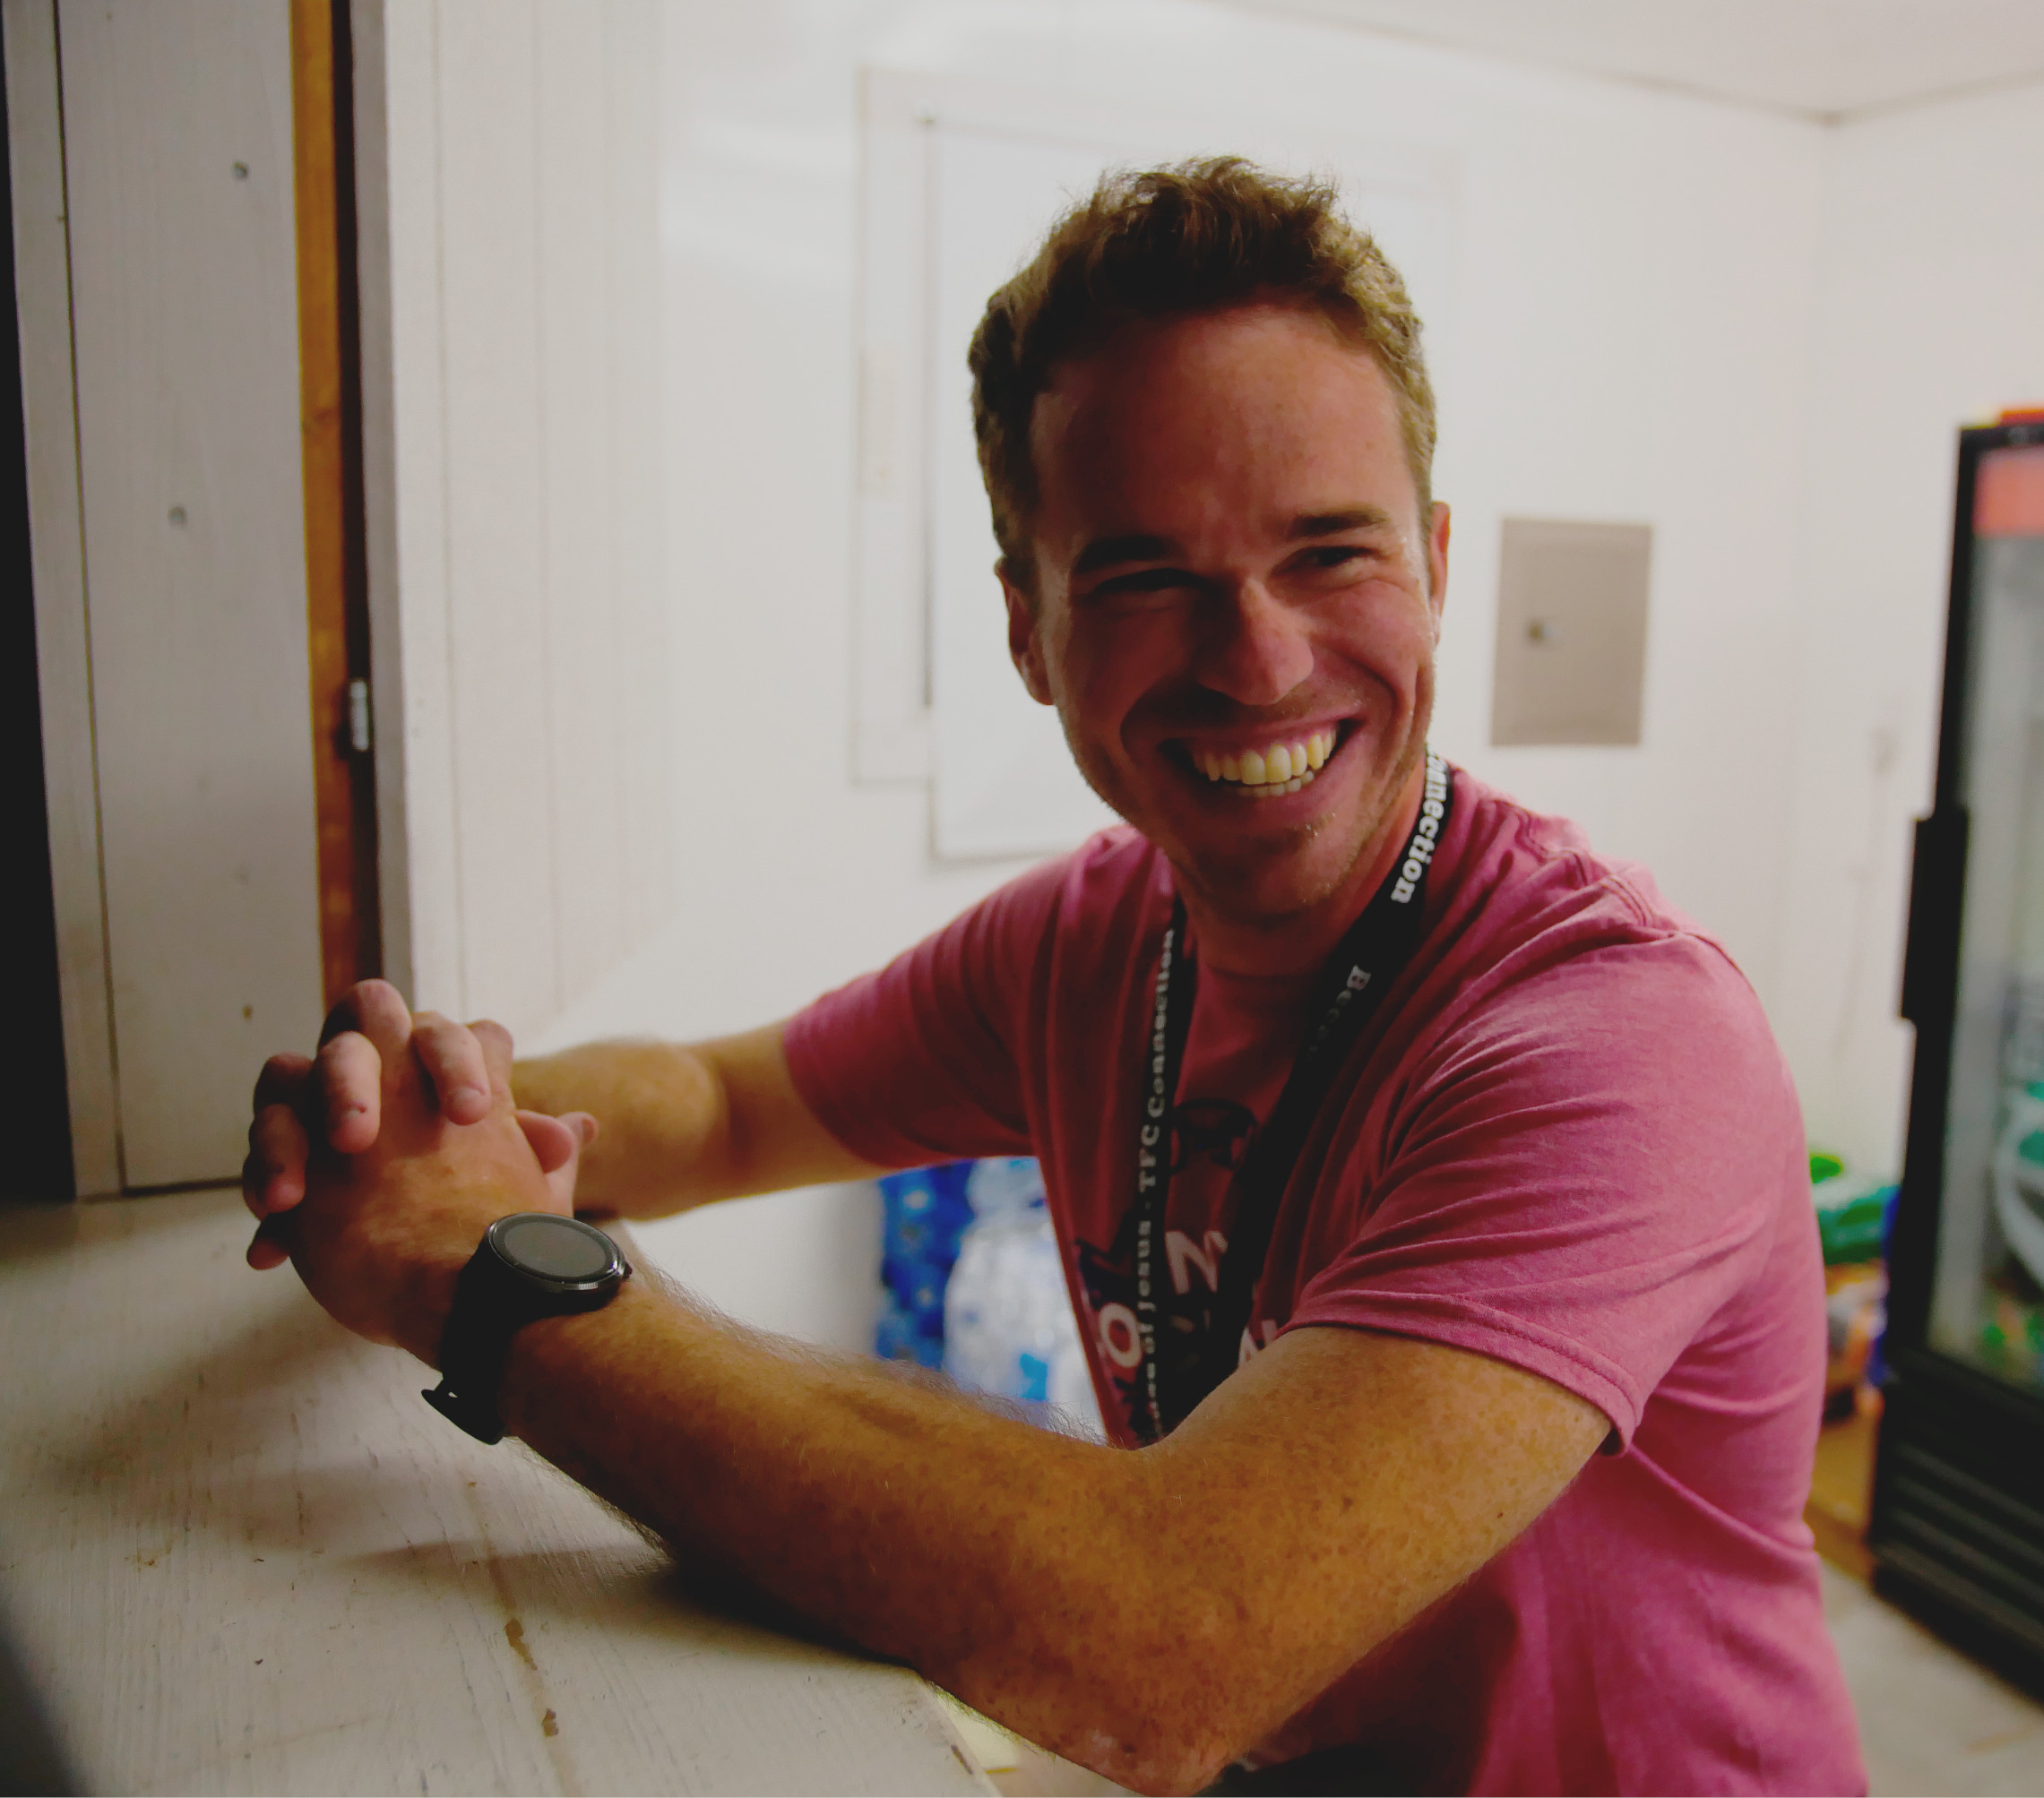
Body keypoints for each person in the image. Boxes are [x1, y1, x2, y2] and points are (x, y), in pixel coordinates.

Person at [243, 159, 1867, 1796]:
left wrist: (491, 1288)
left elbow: (1163, 1642)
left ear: (1436, 567)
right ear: (1029, 629)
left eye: (1330, 554)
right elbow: (723, 1107)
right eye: (1147, 576)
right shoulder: (1090, 942)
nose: (1260, 659)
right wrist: (430, 1118)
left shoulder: (1620, 1038)